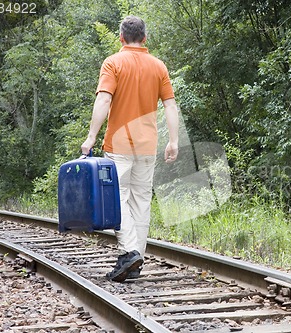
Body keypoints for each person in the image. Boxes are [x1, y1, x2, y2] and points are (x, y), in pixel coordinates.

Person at [81, 15, 179, 282]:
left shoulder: (113, 63)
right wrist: (173, 141)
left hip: (119, 145)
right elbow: (170, 105)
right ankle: (134, 263)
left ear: (121, 38)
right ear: (144, 38)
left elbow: (103, 99)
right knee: (141, 203)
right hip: (148, 146)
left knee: (117, 199)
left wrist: (91, 137)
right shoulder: (158, 66)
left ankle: (129, 253)